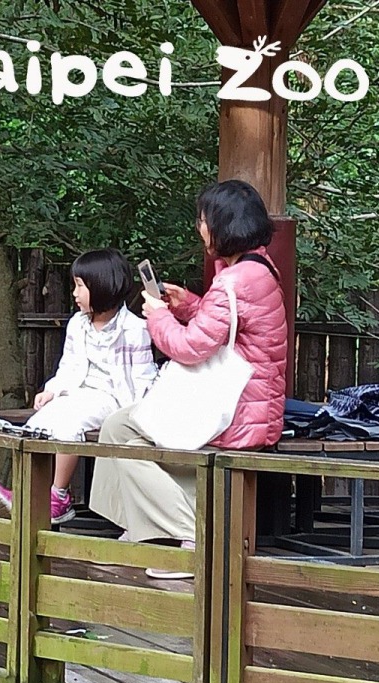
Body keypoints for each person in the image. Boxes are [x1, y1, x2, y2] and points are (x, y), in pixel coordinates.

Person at [88, 179, 288, 579]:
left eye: (203, 220)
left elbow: (188, 348)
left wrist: (158, 315)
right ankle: (143, 529)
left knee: (126, 434)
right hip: (247, 404)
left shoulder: (235, 281)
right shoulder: (256, 267)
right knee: (115, 424)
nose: (199, 228)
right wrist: (189, 305)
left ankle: (193, 539)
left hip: (232, 413)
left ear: (223, 224)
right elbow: (228, 329)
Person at [0, 249, 158, 524]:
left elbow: (144, 378)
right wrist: (51, 390)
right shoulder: (77, 324)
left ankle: (59, 497)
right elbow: (69, 367)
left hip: (114, 399)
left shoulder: (135, 329)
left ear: (102, 286)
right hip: (79, 393)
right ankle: (29, 493)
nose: (74, 293)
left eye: (80, 286)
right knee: (40, 421)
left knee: (69, 424)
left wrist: (141, 415)